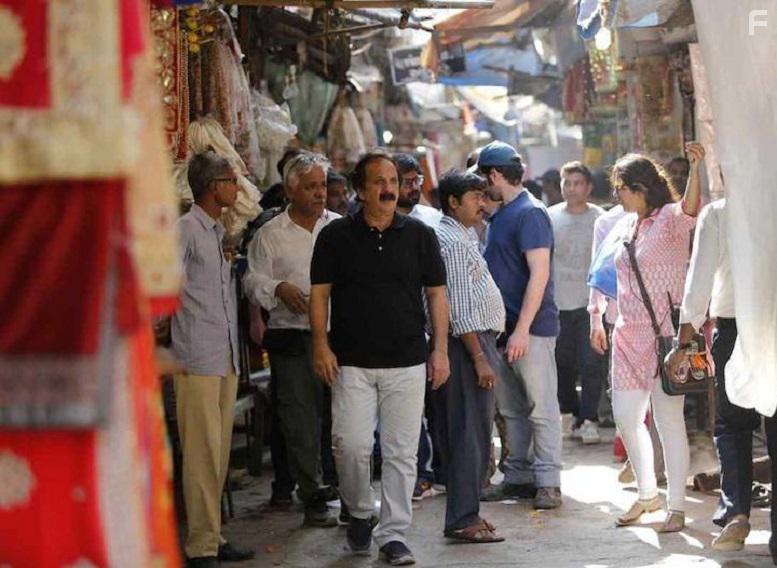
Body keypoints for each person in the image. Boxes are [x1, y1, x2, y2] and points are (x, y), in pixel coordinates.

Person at [309, 151, 450, 565]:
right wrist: (320, 344)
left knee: (402, 452)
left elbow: (437, 295)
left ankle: (392, 534)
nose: (389, 188)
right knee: (349, 446)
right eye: (379, 181)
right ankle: (358, 511)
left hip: (407, 360)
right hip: (350, 361)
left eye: (393, 180)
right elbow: (319, 294)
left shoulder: (420, 236)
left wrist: (439, 349)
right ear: (360, 189)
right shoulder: (335, 237)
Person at [591, 142, 705, 533]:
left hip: (667, 336)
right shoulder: (625, 224)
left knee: (668, 421)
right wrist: (596, 316)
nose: (616, 195)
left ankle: (675, 506)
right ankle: (646, 494)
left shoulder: (672, 218)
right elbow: (604, 275)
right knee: (626, 417)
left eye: (621, 187)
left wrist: (695, 167)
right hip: (626, 333)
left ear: (641, 187)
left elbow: (692, 207)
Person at [665, 198, 777, 555]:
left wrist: (684, 340)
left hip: (733, 328)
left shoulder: (719, 212)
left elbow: (699, 279)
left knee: (732, 424)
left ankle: (736, 511)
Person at [243, 152, 339, 528]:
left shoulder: (338, 228)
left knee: (340, 415)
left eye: (322, 186)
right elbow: (251, 281)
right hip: (292, 338)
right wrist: (278, 287)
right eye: (312, 186)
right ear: (290, 190)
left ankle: (343, 489)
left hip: (337, 336)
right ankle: (312, 493)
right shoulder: (270, 234)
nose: (320, 194)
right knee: (299, 418)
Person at [171, 150, 254, 567]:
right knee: (202, 453)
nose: (237, 187)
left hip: (223, 357)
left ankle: (213, 536)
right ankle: (201, 545)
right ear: (212, 186)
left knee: (217, 452)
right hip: (196, 356)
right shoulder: (185, 230)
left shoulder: (216, 232)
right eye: (231, 180)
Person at [478, 141, 563, 511]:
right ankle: (519, 477)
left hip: (531, 330)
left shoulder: (530, 213)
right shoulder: (502, 214)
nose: (482, 188)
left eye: (484, 179)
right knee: (512, 408)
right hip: (504, 329)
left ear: (495, 175)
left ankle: (548, 481)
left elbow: (539, 274)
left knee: (541, 408)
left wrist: (522, 329)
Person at [433, 170, 506, 544]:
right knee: (468, 435)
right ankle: (463, 517)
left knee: (475, 433)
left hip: (476, 344)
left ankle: (468, 512)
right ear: (453, 202)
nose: (483, 203)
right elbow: (458, 308)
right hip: (468, 348)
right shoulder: (451, 241)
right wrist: (478, 357)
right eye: (475, 197)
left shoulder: (464, 236)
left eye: (483, 195)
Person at [394, 151, 444, 500]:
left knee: (434, 406)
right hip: (397, 329)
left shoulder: (432, 221)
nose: (413, 188)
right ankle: (415, 473)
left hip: (430, 327)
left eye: (417, 182)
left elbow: (440, 286)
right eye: (406, 182)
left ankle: (433, 471)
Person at [548, 162, 606, 444]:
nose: (572, 188)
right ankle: (570, 411)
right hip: (558, 304)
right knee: (562, 363)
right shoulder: (549, 218)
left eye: (578, 183)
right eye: (567, 183)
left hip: (591, 305)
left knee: (592, 363)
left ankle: (590, 419)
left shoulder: (601, 219)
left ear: (589, 187)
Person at [395, 152, 443, 228]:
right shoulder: (383, 221)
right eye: (408, 183)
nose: (415, 187)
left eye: (417, 180)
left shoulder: (433, 217)